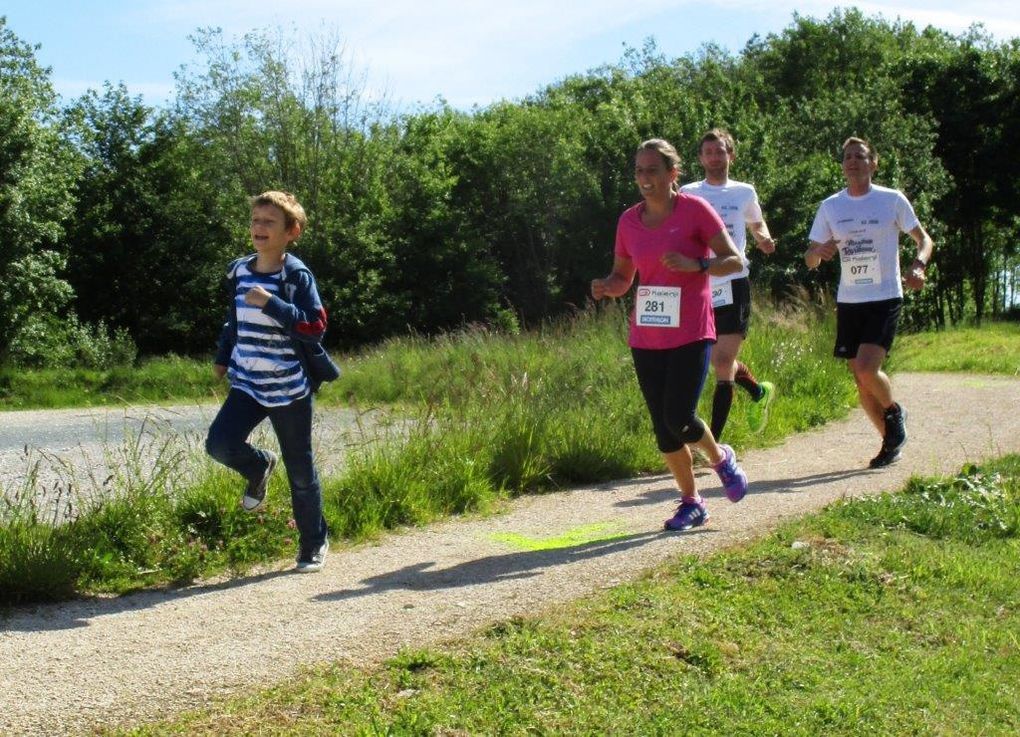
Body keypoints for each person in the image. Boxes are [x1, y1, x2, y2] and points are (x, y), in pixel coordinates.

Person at [591, 138, 750, 532]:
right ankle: (692, 503)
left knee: (679, 416)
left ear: (671, 174)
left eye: (653, 171)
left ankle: (720, 459)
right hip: (646, 336)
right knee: (663, 428)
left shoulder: (695, 210)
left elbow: (733, 260)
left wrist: (695, 264)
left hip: (692, 330)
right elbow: (624, 276)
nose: (645, 178)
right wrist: (608, 286)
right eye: (639, 171)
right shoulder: (628, 221)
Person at [206, 191, 332, 572]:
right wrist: (224, 355)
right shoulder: (239, 270)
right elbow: (236, 318)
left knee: (299, 469)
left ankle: (314, 542)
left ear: (291, 232)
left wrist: (273, 303)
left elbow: (315, 327)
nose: (258, 228)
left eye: (269, 222)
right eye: (255, 221)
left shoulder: (295, 275)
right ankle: (258, 466)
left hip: (289, 387)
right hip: (247, 380)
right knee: (219, 444)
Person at [805, 137, 934, 468]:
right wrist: (817, 253)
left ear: (874, 163)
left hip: (885, 295)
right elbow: (809, 259)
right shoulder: (831, 206)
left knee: (867, 368)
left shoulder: (891, 200)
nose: (852, 161)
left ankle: (893, 412)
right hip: (850, 300)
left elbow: (924, 240)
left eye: (860, 156)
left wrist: (918, 264)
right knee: (860, 381)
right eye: (847, 156)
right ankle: (889, 443)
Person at [680, 128, 776, 441]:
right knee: (714, 360)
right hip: (700, 284)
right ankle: (758, 392)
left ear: (730, 155)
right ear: (700, 158)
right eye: (708, 152)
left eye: (720, 151)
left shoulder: (743, 191)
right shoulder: (689, 192)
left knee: (722, 362)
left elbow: (756, 221)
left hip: (734, 281)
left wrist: (763, 239)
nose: (714, 157)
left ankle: (714, 446)